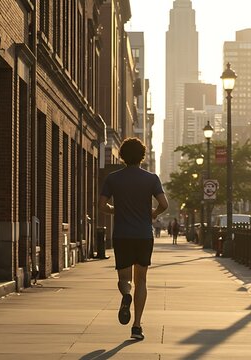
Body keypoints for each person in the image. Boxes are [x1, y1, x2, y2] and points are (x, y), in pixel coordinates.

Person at [98, 137, 168, 341]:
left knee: (124, 278)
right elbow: (164, 204)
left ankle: (126, 295)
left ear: (122, 156)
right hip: (144, 235)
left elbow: (102, 205)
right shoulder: (151, 178)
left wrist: (114, 210)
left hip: (122, 235)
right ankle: (137, 326)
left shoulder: (113, 178)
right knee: (142, 279)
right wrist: (153, 214)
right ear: (142, 156)